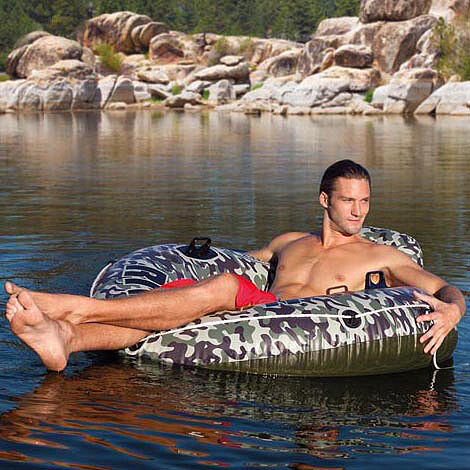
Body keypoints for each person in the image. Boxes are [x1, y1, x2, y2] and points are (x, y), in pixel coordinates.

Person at [4, 160, 466, 371]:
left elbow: (444, 288)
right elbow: (244, 264)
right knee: (176, 308)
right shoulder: (290, 242)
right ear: (325, 200)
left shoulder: (380, 255)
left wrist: (452, 310)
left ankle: (78, 310)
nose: (358, 211)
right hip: (254, 311)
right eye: (349, 200)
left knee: (224, 288)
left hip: (297, 323)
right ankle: (67, 338)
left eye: (364, 201)